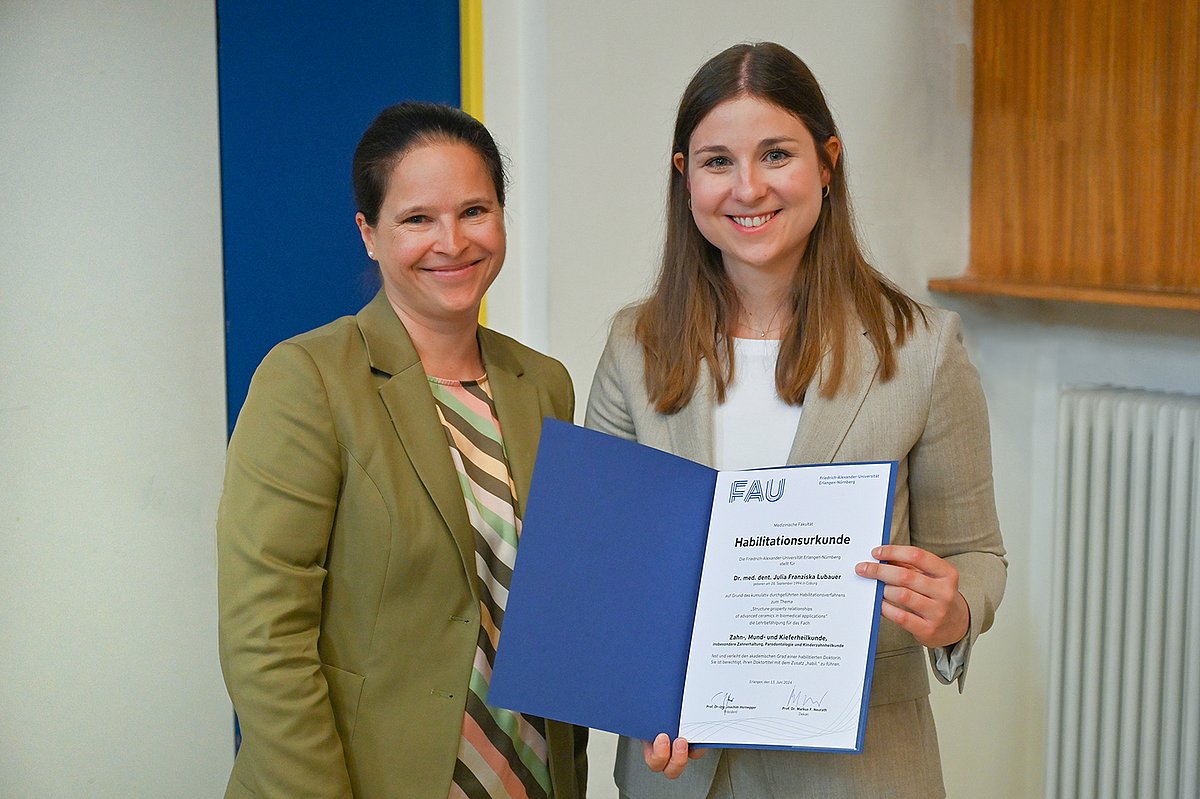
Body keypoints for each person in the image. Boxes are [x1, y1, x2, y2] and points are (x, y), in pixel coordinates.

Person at [585, 43, 1006, 799]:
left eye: (776, 154)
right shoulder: (633, 346)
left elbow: (974, 552)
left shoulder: (923, 349)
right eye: (717, 162)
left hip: (861, 770)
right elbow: (609, 571)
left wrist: (956, 610)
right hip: (679, 768)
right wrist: (633, 693)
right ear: (685, 178)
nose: (748, 187)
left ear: (827, 162)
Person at [217, 102, 588, 799]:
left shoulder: (544, 384)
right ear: (369, 233)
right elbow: (265, 637)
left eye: (474, 211)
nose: (452, 241)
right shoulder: (309, 379)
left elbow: (563, 608)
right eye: (418, 219)